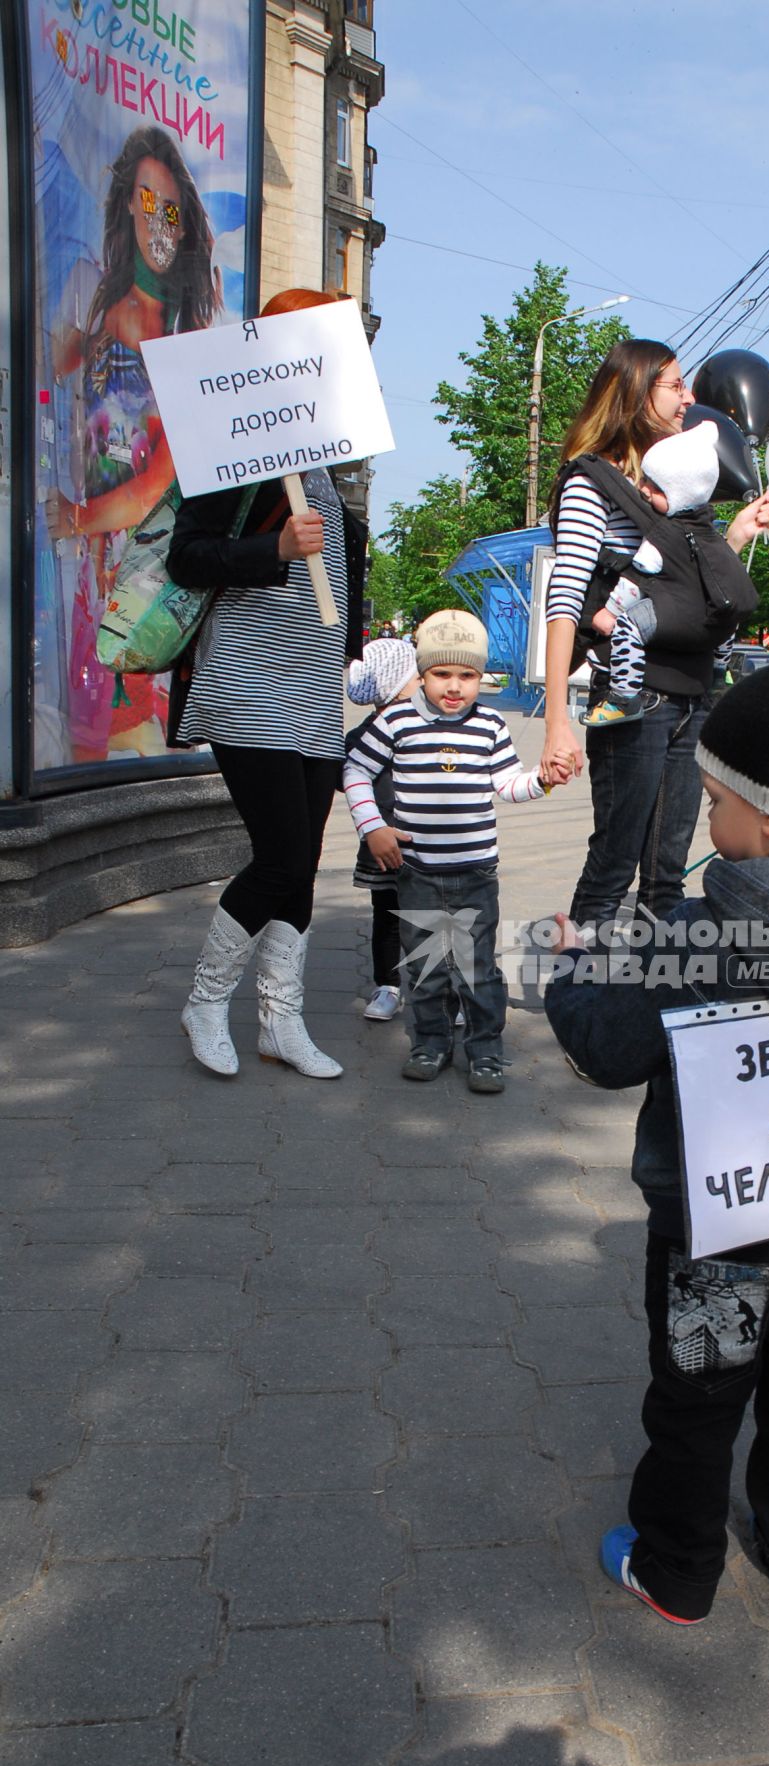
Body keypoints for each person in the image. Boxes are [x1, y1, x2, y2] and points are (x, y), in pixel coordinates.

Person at [545, 659, 769, 1623]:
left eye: (715, 801)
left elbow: (606, 1045)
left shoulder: (701, 936)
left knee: (700, 1401)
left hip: (720, 1233)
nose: (707, 821)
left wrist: (568, 972)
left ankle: (675, 1566)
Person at [167, 288, 368, 1082]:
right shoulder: (234, 453)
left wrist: (353, 655)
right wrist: (273, 547)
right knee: (280, 856)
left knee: (305, 857)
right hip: (249, 680)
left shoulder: (323, 460)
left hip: (314, 690)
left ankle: (281, 1020)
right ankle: (205, 1000)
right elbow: (189, 555)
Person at [539, 339, 769, 934]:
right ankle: (581, 990)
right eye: (675, 386)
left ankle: (656, 1004)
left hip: (689, 699)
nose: (691, 398)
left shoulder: (676, 484)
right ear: (637, 393)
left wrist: (736, 537)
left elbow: (680, 585)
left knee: (667, 874)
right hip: (630, 700)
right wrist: (556, 724)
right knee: (614, 862)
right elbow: (565, 600)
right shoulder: (591, 481)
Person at [47, 126, 222, 761]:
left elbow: (159, 484)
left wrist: (74, 518)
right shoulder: (92, 301)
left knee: (131, 741)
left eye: (171, 210)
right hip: (87, 567)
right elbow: (45, 370)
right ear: (127, 203)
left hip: (147, 571)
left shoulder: (189, 338)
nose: (159, 223)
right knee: (82, 744)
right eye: (147, 203)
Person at [342, 608, 565, 1095]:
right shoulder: (397, 720)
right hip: (415, 869)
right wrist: (372, 827)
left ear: (480, 678)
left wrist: (543, 781)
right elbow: (356, 771)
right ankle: (430, 1042)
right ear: (421, 674)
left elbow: (507, 784)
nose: (454, 686)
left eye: (467, 675)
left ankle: (485, 1049)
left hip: (476, 870)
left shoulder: (489, 725)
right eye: (442, 674)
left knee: (476, 966)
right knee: (424, 964)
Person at [584, 418, 726, 727]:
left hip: (664, 620)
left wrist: (609, 613)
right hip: (703, 633)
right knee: (725, 633)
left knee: (628, 628)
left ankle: (623, 696)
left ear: (680, 492)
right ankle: (718, 676)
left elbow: (635, 583)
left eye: (654, 486)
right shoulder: (709, 534)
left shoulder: (660, 537)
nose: (643, 490)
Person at [345, 637, 423, 1021]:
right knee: (388, 916)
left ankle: (444, 989)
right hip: (384, 845)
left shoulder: (432, 724)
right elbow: (347, 777)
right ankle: (387, 985)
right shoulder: (364, 736)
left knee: (439, 917)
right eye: (417, 676)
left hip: (431, 845)